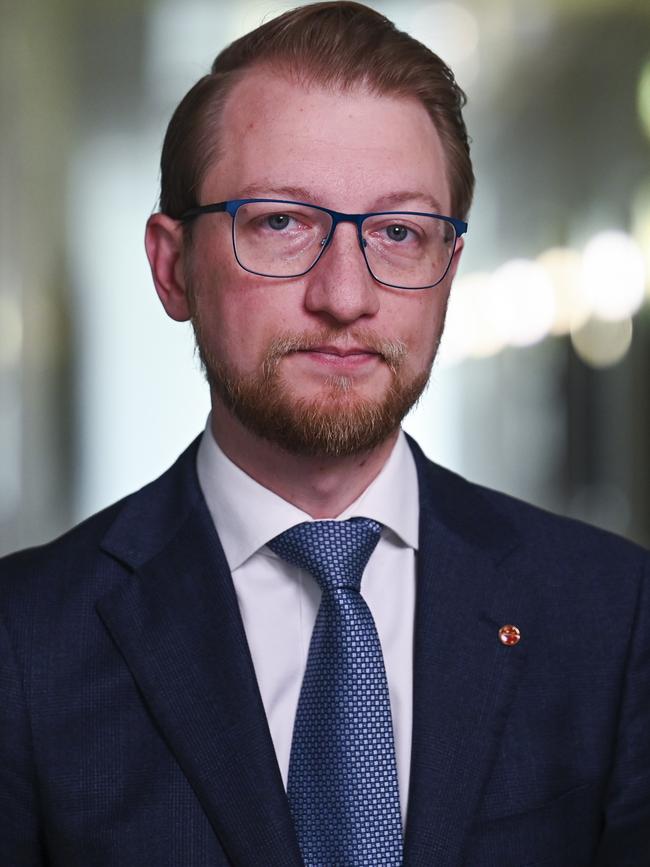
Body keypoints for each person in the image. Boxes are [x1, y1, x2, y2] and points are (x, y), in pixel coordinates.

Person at [1, 2, 648, 864]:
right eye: (281, 222)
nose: (345, 296)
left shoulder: (614, 613)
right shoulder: (22, 643)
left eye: (398, 232)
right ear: (172, 267)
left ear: (448, 272)